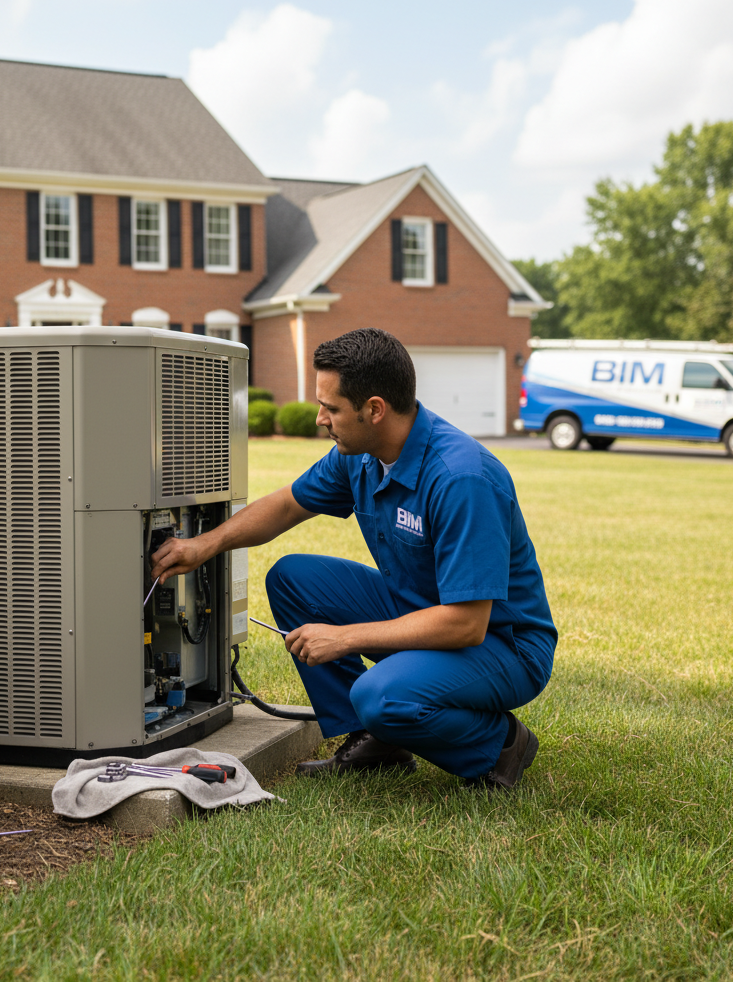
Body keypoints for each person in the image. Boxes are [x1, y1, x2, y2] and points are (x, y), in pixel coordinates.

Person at [150, 327, 557, 789]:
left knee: (381, 696)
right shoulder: (359, 455)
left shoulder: (461, 478)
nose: (321, 418)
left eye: (331, 408)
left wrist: (343, 638)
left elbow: (467, 624)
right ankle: (377, 741)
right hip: (421, 610)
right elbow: (286, 505)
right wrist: (204, 545)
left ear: (375, 410)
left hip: (502, 644)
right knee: (293, 579)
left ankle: (500, 743)